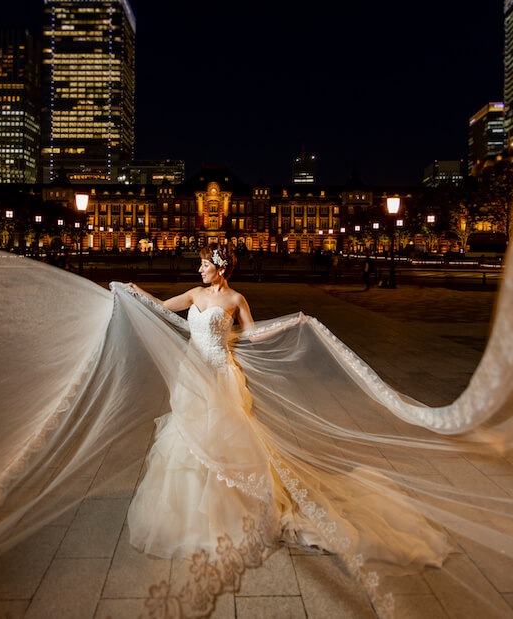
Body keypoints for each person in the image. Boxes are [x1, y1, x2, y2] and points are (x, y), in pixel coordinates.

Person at [122, 243, 448, 614]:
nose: (198, 271)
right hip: (192, 373)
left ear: (219, 267)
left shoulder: (235, 299)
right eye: (199, 266)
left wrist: (293, 322)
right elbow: (162, 308)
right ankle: (187, 508)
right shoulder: (194, 294)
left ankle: (230, 508)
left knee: (225, 437)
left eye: (202, 265)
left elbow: (253, 334)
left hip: (221, 375)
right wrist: (135, 290)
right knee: (186, 436)